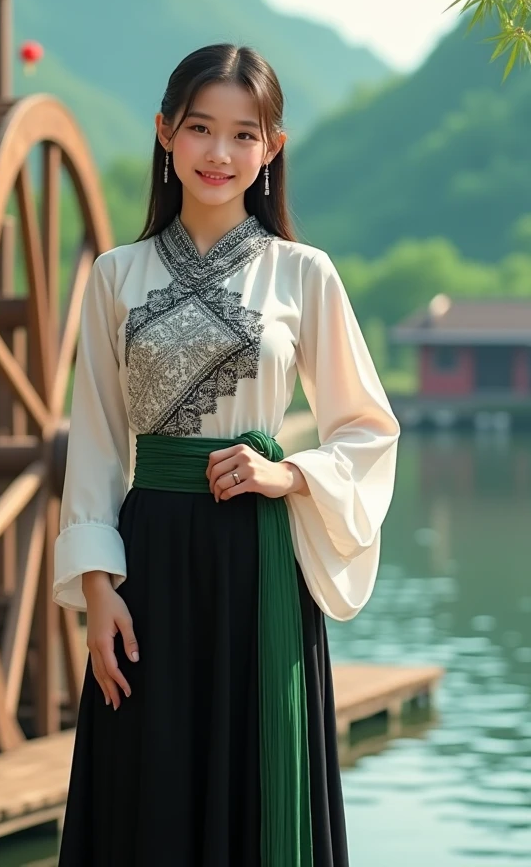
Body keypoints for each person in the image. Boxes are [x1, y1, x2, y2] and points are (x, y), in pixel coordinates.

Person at [53, 43, 400, 867]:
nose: (219, 153)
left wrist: (289, 473)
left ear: (271, 150)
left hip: (260, 567)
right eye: (201, 129)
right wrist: (99, 592)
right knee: (149, 787)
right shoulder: (114, 275)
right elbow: (97, 443)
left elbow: (367, 429)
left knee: (257, 783)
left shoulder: (304, 275)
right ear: (165, 134)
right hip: (152, 568)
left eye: (244, 135)